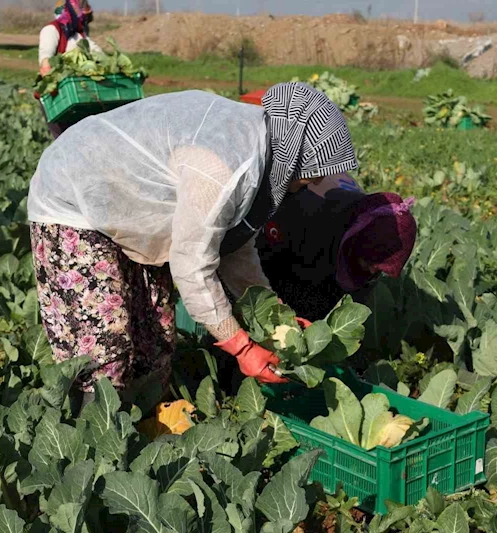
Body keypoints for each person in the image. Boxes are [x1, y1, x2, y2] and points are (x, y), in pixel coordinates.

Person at [27, 82, 360, 402]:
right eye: (310, 174)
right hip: (72, 194)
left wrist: (275, 315)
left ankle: (135, 429)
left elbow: (235, 250)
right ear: (294, 154)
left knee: (154, 340)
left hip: (129, 205)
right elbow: (191, 266)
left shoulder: (260, 149)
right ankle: (92, 444)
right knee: (105, 347)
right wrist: (241, 347)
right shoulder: (225, 164)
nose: (309, 184)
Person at [255, 174, 417, 322]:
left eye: (378, 268)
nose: (373, 271)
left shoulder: (368, 223)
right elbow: (258, 265)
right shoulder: (302, 216)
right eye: (369, 262)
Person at [37, 0, 100, 139]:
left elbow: (98, 54)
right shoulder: (51, 30)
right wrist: (54, 85)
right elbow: (45, 63)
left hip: (79, 96)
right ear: (71, 10)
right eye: (81, 11)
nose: (84, 17)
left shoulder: (79, 35)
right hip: (58, 98)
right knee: (66, 140)